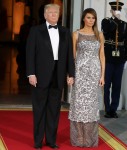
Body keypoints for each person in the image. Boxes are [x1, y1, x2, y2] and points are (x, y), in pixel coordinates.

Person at [26, 4, 75, 150]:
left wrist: (71, 74)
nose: (54, 15)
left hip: (58, 76)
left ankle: (51, 140)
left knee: (54, 110)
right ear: (45, 15)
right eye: (51, 12)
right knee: (39, 109)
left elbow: (69, 56)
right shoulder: (36, 31)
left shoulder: (65, 31)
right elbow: (30, 54)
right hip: (40, 76)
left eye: (56, 12)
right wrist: (31, 73)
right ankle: (38, 142)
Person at [68, 8, 105, 147]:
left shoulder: (99, 35)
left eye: (93, 18)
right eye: (88, 17)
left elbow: (102, 56)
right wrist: (70, 75)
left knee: (91, 107)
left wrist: (102, 75)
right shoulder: (76, 34)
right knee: (78, 105)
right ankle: (79, 139)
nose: (91, 20)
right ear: (83, 18)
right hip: (80, 73)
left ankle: (89, 140)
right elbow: (72, 57)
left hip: (94, 74)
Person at [101, 1, 127, 118]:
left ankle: (113, 109)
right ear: (111, 11)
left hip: (120, 58)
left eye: (119, 10)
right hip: (108, 57)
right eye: (115, 10)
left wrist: (125, 57)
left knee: (117, 85)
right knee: (107, 85)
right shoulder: (106, 21)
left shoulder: (125, 24)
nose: (117, 12)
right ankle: (107, 109)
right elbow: (107, 31)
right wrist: (115, 19)